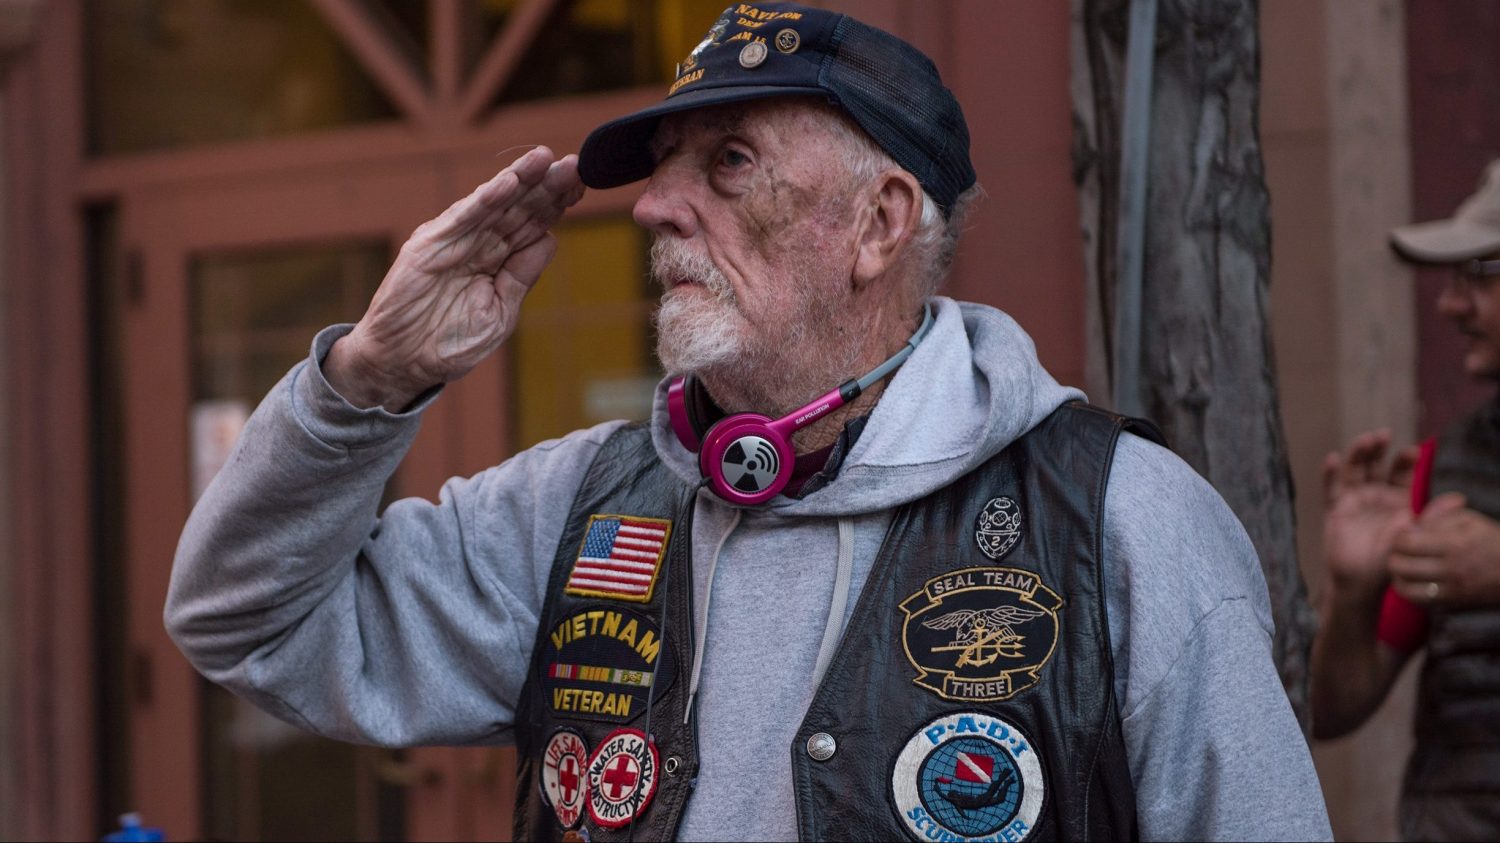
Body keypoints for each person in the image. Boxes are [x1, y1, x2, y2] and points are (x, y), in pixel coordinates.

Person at [166, 3, 1330, 840]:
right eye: (665, 168)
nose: (656, 207)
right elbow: (246, 623)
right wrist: (367, 380)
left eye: (728, 163)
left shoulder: (1122, 520)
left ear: (879, 224)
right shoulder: (577, 508)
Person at [1311, 159, 1500, 840]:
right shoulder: (1442, 467)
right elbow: (1331, 711)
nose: (1450, 303)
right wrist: (1355, 591)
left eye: (1479, 273)